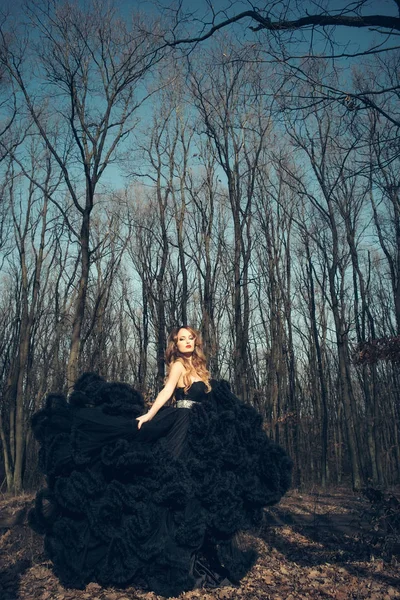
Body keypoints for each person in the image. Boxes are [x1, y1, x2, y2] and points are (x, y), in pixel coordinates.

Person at [29, 326, 292, 597]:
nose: (187, 342)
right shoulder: (178, 365)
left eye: (190, 338)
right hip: (181, 425)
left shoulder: (200, 368)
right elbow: (167, 392)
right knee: (176, 486)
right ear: (175, 344)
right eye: (182, 339)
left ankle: (195, 561)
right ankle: (173, 562)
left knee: (197, 491)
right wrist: (148, 416)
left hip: (200, 431)